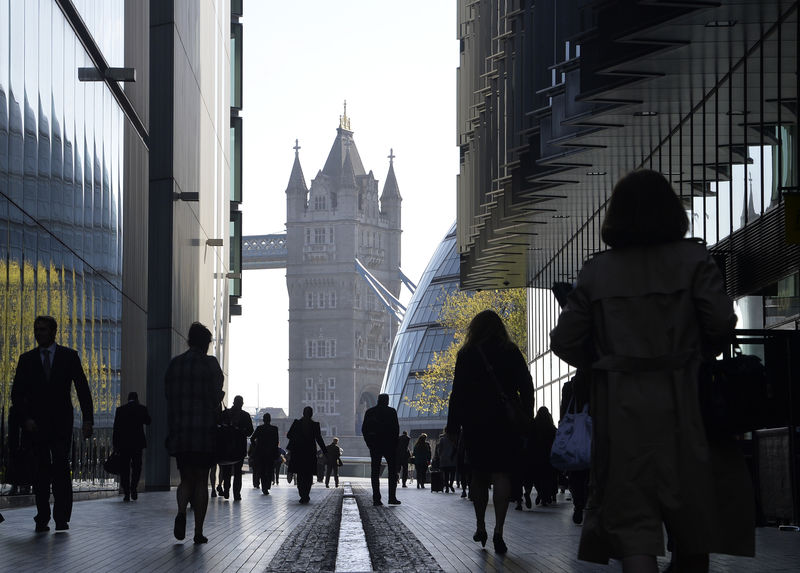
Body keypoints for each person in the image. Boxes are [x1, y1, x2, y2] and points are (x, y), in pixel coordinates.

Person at [550, 169, 755, 572]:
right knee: (692, 521)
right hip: (686, 405)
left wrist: (602, 362)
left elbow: (564, 341)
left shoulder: (597, 272)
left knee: (632, 528)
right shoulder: (694, 260)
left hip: (620, 413)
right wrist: (696, 352)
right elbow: (720, 323)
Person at [446, 309, 534, 554]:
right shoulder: (511, 351)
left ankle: (480, 525)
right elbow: (526, 385)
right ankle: (499, 531)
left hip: (476, 423)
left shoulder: (466, 354)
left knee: (479, 475)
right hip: (504, 423)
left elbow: (458, 393)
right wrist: (526, 414)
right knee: (501, 474)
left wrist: (453, 427)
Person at [11, 315, 94, 533]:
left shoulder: (69, 357)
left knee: (60, 469)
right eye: (37, 329)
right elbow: (17, 394)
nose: (39, 333)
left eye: (43, 330)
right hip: (36, 426)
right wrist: (25, 419)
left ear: (53, 332)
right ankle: (42, 516)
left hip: (60, 425)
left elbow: (82, 389)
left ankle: (61, 517)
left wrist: (88, 420)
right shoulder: (26, 360)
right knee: (40, 472)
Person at [165, 322, 224, 544]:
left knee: (186, 478)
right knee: (201, 480)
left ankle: (181, 511)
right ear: (206, 343)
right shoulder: (210, 365)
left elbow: (168, 396)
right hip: (204, 432)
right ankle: (198, 532)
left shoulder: (175, 365)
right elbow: (215, 396)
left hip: (181, 431)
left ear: (189, 340)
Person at [560, 370, 591, 524]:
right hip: (593, 433)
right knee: (591, 471)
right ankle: (589, 501)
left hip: (574, 435)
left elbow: (563, 412)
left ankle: (578, 504)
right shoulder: (597, 384)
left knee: (576, 472)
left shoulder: (569, 387)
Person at [361, 394, 401, 506]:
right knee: (392, 472)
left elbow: (364, 429)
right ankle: (392, 497)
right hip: (389, 446)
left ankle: (376, 499)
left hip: (375, 445)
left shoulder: (370, 412)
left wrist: (369, 443)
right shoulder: (392, 412)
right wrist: (395, 445)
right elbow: (396, 429)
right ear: (387, 401)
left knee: (375, 472)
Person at [112, 391, 152, 502]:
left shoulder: (120, 410)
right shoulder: (141, 409)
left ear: (128, 398)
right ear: (137, 399)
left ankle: (126, 492)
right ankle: (133, 487)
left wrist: (115, 444)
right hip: (137, 444)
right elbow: (148, 421)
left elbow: (116, 428)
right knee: (137, 467)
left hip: (123, 444)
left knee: (124, 468)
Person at [286, 406, 327, 503]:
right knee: (308, 475)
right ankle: (306, 494)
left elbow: (289, 435)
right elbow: (319, 439)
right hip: (310, 453)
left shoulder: (297, 423)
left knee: (300, 474)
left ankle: (302, 494)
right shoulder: (315, 425)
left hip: (298, 452)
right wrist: (325, 451)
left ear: (303, 413)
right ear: (312, 414)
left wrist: (297, 438)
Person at [218, 395, 253, 501]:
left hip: (226, 448)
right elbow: (250, 431)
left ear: (233, 402)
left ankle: (227, 491)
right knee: (238, 472)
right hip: (239, 448)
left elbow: (218, 427)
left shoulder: (225, 414)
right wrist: (241, 431)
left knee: (227, 471)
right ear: (242, 403)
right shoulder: (245, 416)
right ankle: (236, 494)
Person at [531, 406, 558, 506]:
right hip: (549, 456)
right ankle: (547, 495)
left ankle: (541, 493)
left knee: (538, 476)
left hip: (537, 456)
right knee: (549, 476)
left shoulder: (534, 426)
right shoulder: (551, 428)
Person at [250, 412, 279, 495]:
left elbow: (252, 439)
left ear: (263, 420)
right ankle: (267, 485)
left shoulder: (259, 428)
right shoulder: (274, 429)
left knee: (262, 470)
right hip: (271, 453)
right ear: (270, 420)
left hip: (261, 453)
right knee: (270, 470)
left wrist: (256, 447)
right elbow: (276, 442)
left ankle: (264, 487)